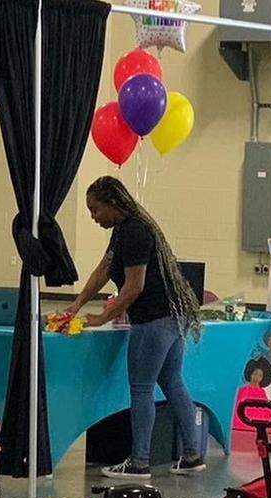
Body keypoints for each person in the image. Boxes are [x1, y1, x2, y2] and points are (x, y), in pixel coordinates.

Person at [54, 177, 206, 481]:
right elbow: (104, 269)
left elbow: (134, 287)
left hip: (154, 320)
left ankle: (139, 462)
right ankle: (192, 455)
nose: (93, 217)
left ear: (113, 203)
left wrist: (104, 316)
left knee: (141, 387)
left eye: (96, 210)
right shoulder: (126, 229)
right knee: (173, 382)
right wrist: (78, 303)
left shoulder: (135, 231)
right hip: (172, 317)